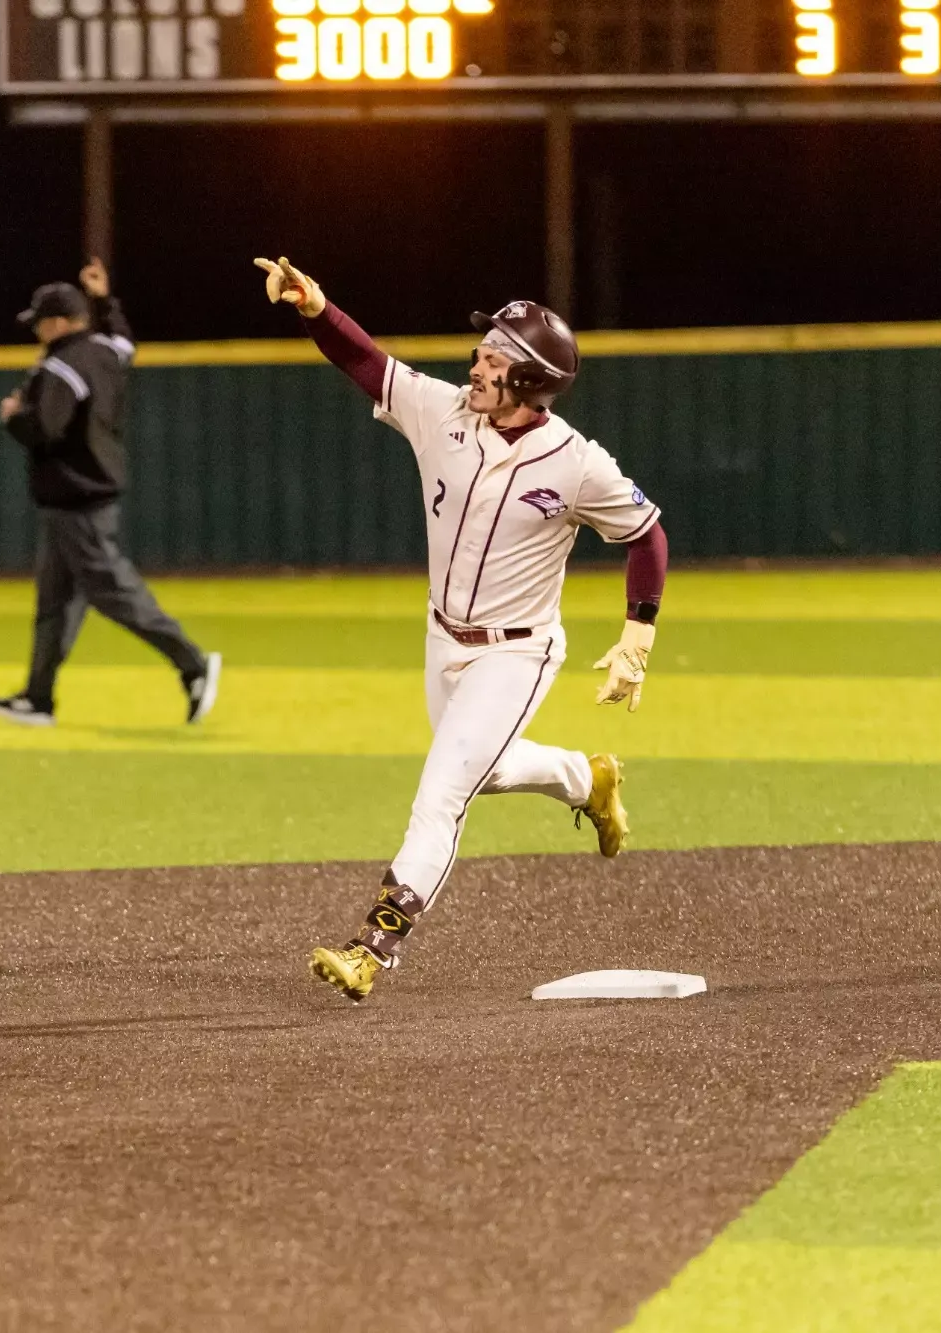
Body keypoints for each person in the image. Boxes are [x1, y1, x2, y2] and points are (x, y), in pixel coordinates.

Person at [255, 257, 670, 1004]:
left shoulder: (578, 464)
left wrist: (637, 636)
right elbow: (368, 364)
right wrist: (315, 306)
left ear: (530, 378)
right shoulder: (443, 412)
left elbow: (647, 534)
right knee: (493, 769)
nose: (477, 362)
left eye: (495, 357)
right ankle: (589, 779)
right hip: (442, 639)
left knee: (443, 790)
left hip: (518, 653)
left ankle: (374, 946)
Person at [0, 258, 221, 727]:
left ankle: (193, 663)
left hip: (79, 500)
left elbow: (46, 429)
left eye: (41, 322)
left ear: (58, 323)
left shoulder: (61, 366)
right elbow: (124, 341)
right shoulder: (104, 350)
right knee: (55, 605)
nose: (38, 331)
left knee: (115, 594)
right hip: (79, 497)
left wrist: (14, 417)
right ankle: (38, 698)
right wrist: (103, 299)